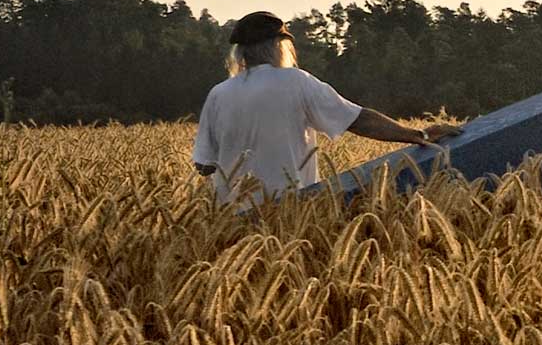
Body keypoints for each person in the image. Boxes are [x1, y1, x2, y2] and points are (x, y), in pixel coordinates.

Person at [192, 11, 461, 206]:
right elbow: (358, 120)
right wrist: (418, 135)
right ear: (278, 46)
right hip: (291, 215)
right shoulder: (296, 81)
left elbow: (204, 165)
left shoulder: (218, 93)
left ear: (239, 53)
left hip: (230, 225)